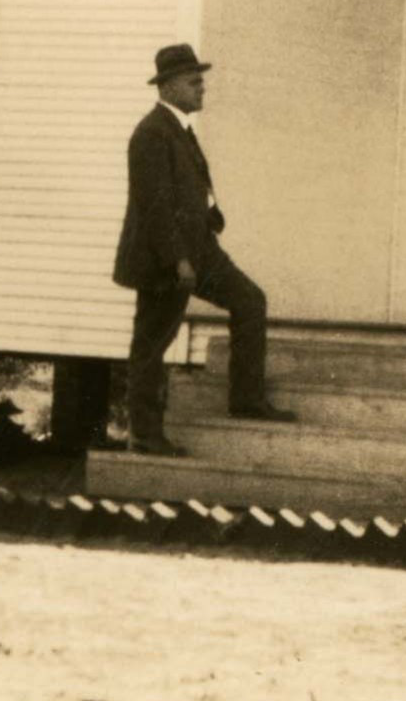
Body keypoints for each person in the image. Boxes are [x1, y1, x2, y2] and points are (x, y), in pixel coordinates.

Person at [109, 43, 293, 453]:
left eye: (201, 81)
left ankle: (246, 401)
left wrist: (211, 217)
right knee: (151, 344)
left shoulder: (179, 129)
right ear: (169, 86)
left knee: (249, 302)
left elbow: (188, 189)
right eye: (194, 82)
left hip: (199, 249)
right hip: (166, 259)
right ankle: (145, 436)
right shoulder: (150, 133)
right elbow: (155, 206)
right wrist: (178, 260)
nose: (202, 88)